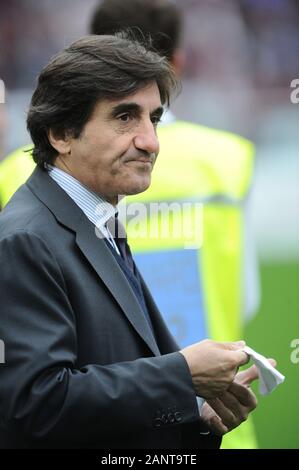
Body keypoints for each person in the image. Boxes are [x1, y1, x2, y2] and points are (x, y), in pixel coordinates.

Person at [0, 33, 260, 449]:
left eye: (153, 119)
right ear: (61, 133)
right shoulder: (26, 239)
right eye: (125, 118)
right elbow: (35, 404)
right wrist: (181, 375)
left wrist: (195, 416)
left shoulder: (98, 216)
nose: (150, 142)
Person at [90, 0, 260, 449]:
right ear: (177, 65)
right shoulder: (226, 159)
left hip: (99, 414)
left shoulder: (19, 171)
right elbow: (246, 296)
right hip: (219, 410)